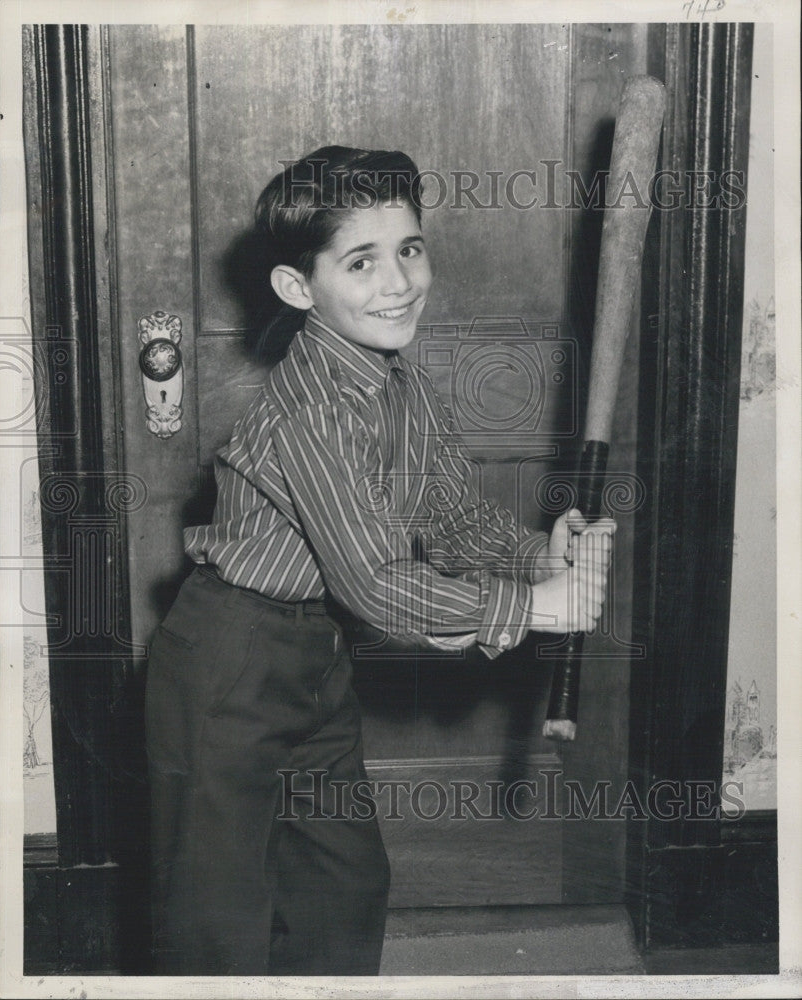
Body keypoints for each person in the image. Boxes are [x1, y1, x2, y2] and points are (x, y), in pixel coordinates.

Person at [144, 145, 615, 976]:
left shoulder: (401, 385)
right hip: (227, 669)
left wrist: (541, 559)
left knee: (344, 883)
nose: (397, 282)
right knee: (216, 916)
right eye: (360, 262)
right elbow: (375, 585)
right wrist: (537, 612)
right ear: (299, 289)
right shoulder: (308, 413)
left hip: (312, 663)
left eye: (409, 248)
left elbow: (451, 514)